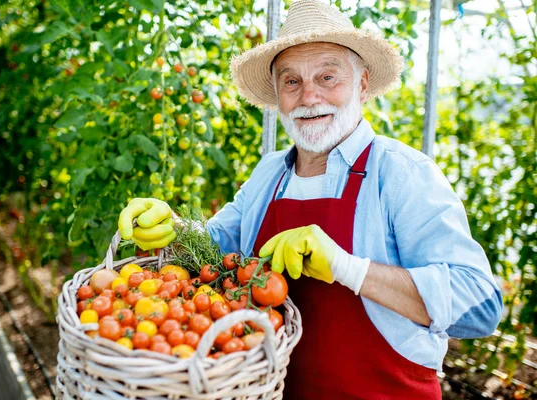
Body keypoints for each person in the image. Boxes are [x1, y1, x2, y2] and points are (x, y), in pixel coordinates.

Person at [118, 0, 503, 398]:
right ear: (278, 94)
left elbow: (479, 306)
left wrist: (348, 268)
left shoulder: (402, 174)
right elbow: (215, 253)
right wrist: (171, 229)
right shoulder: (269, 175)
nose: (308, 96)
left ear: (363, 84)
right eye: (291, 82)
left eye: (328, 77)